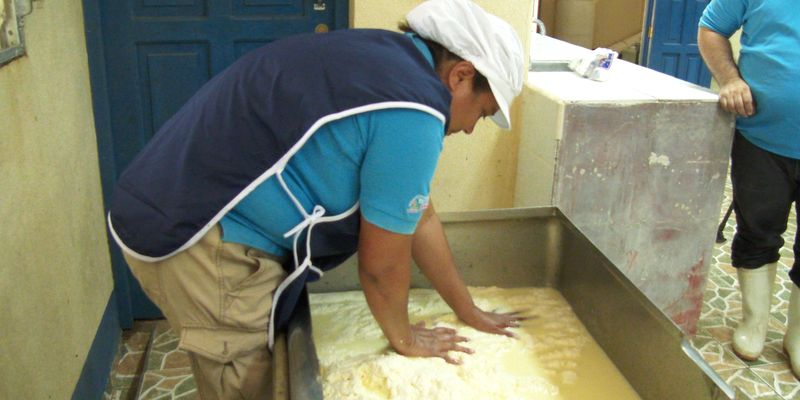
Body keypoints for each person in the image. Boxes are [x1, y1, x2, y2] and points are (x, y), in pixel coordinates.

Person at [107, 0, 526, 398]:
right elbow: (380, 267)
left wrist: (467, 310)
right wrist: (405, 337)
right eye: (483, 111)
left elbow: (420, 217)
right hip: (201, 239)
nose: (472, 129)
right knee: (249, 386)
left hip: (163, 200)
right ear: (460, 75)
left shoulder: (390, 60)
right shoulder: (416, 110)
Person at [698, 0, 800, 378]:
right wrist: (730, 79)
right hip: (761, 138)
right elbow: (712, 27)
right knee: (758, 231)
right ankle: (754, 323)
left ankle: (798, 337)